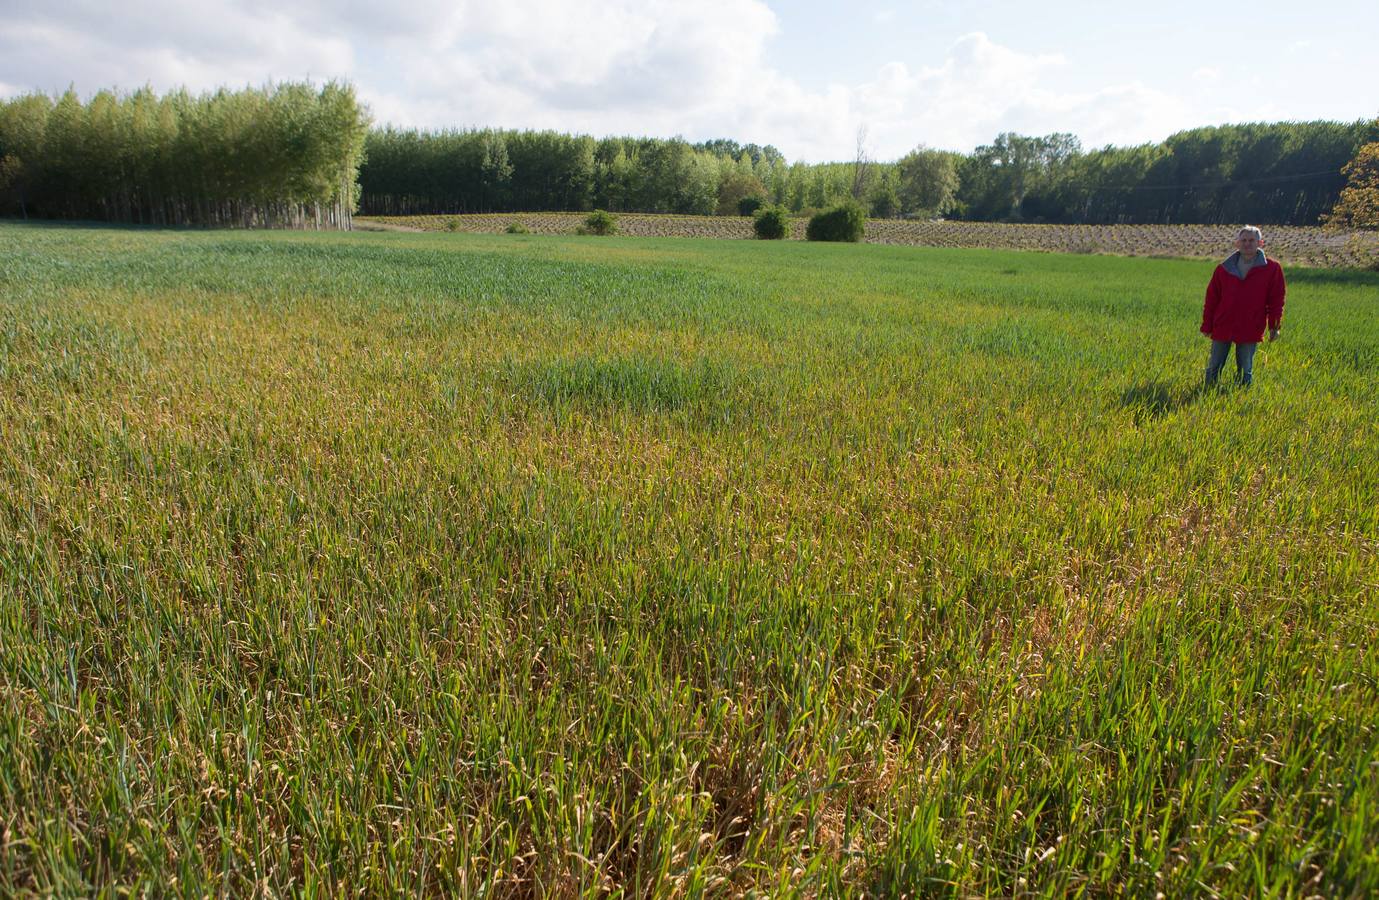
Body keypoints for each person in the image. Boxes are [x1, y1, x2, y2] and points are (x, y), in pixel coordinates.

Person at [1200, 225, 1285, 387]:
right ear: (1237, 244)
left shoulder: (1272, 269)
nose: (1247, 244)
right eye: (1244, 240)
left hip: (1251, 325)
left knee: (1245, 369)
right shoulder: (1223, 269)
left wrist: (1274, 326)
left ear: (1260, 243)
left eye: (1252, 240)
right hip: (1223, 323)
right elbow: (1212, 299)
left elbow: (1276, 300)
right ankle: (1206, 393)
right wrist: (1207, 325)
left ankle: (1241, 398)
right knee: (1214, 367)